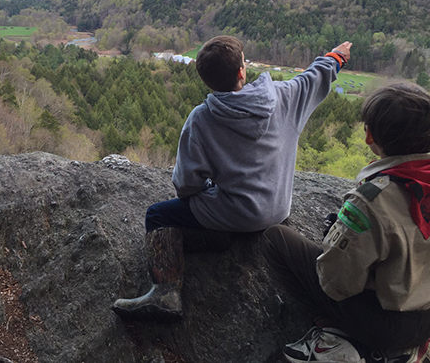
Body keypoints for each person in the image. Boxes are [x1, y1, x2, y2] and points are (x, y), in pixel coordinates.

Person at [112, 35, 352, 322]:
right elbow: (315, 76)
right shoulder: (284, 97)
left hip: (234, 214)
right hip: (278, 210)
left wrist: (207, 192)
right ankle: (217, 236)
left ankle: (166, 292)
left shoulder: (201, 119)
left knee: (158, 216)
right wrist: (337, 56)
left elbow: (186, 184)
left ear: (207, 80)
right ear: (242, 71)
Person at [263, 82, 430, 363]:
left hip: (386, 326)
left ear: (369, 136)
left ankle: (344, 339)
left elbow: (337, 283)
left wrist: (336, 242)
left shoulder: (372, 200)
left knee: (276, 239)